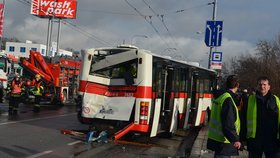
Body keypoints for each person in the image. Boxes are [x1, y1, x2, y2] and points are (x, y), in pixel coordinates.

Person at [244, 76, 280, 158]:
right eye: (260, 84)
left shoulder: (276, 100)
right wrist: (242, 139)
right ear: (257, 86)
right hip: (255, 140)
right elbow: (243, 119)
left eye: (264, 84)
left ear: (269, 86)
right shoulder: (250, 100)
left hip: (273, 140)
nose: (262, 86)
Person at [207, 75, 241, 158]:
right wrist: (235, 139)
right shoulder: (227, 99)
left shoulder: (219, 96)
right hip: (224, 140)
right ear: (237, 85)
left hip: (216, 138)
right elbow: (228, 122)